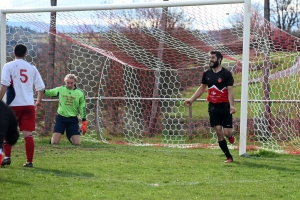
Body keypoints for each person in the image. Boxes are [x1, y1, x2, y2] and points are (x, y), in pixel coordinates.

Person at [184, 50, 236, 163]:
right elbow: (202, 88)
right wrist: (191, 99)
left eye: (213, 57)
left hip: (225, 107)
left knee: (227, 133)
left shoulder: (226, 74)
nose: (210, 60)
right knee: (218, 131)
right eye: (210, 57)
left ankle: (231, 136)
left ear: (219, 59)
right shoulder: (206, 74)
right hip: (213, 107)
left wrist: (232, 106)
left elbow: (230, 91)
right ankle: (229, 156)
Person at [0, 44, 45, 167]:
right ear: (26, 54)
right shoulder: (32, 67)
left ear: (14, 53)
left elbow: (5, 84)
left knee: (8, 132)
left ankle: (7, 157)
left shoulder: (8, 66)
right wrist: (39, 101)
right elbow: (40, 87)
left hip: (14, 105)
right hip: (29, 105)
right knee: (28, 134)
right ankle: (29, 161)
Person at [44, 74, 87, 145]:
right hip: (61, 118)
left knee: (77, 144)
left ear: (75, 83)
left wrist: (84, 121)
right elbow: (49, 92)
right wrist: (41, 90)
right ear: (65, 82)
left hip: (73, 119)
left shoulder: (80, 93)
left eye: (71, 83)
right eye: (68, 83)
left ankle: (69, 136)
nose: (69, 85)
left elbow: (82, 107)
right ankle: (52, 139)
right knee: (54, 143)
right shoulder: (61, 89)